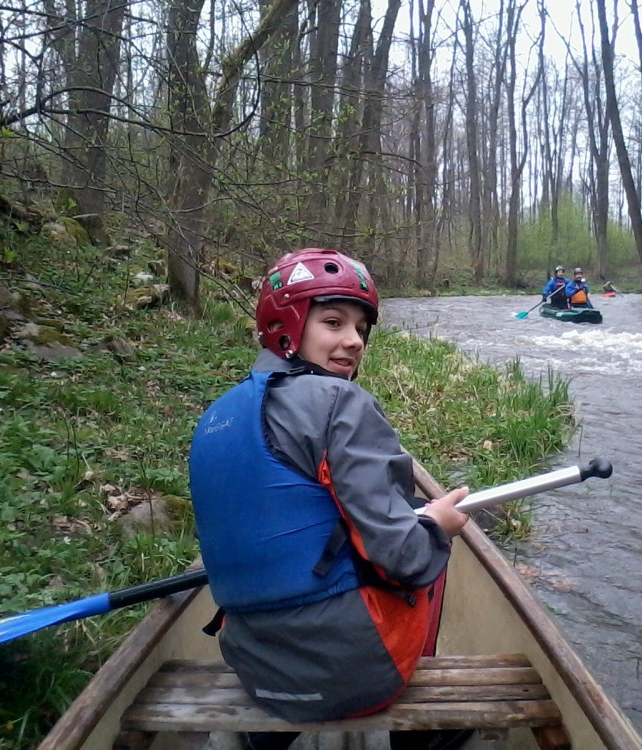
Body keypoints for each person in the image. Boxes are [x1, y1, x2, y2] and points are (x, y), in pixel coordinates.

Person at [188, 248, 472, 750]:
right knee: (428, 545)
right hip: (357, 674)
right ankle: (416, 737)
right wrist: (436, 527)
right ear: (287, 325)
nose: (354, 341)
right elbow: (404, 559)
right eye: (334, 322)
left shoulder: (216, 416)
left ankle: (266, 738)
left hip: (255, 668)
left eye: (361, 329)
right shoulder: (342, 402)